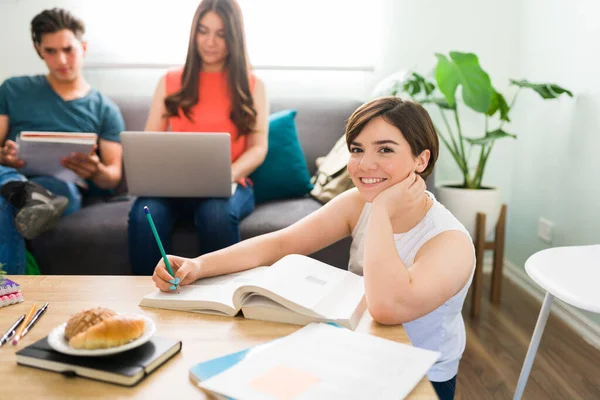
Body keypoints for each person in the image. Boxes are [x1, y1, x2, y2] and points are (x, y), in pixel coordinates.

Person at [151, 97, 475, 399]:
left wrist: (381, 212)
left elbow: (386, 308)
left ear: (421, 159)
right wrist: (199, 265)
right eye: (357, 149)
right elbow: (281, 243)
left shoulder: (450, 242)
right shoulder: (358, 203)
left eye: (385, 150)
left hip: (421, 380)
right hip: (361, 354)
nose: (364, 164)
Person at [127, 0, 268, 276]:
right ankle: (148, 298)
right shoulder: (169, 81)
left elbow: (258, 147)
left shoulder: (253, 85)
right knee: (146, 215)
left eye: (221, 33)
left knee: (215, 214)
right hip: (172, 185)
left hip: (230, 183)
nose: (210, 42)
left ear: (234, 37)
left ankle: (223, 297)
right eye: (203, 31)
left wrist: (228, 174)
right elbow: (149, 143)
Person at [0, 8, 125, 275]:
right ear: (38, 50)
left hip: (60, 187)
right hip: (11, 173)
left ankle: (10, 290)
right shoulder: (13, 89)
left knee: (52, 194)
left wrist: (96, 169)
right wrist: (5, 156)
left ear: (84, 47)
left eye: (69, 49)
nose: (62, 59)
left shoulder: (105, 108)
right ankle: (20, 190)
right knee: (7, 191)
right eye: (51, 51)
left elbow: (113, 177)